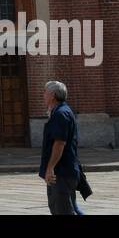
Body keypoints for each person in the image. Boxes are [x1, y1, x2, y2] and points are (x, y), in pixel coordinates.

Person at [40, 80, 81, 215]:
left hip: (61, 172)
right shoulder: (60, 111)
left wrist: (50, 168)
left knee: (62, 210)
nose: (43, 95)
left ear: (52, 95)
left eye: (45, 92)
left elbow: (59, 143)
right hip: (64, 170)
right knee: (67, 208)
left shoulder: (60, 114)